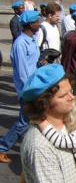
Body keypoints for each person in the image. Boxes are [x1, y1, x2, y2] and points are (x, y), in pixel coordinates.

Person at [0, 10, 40, 164]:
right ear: (30, 24)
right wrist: (32, 92)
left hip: (35, 86)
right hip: (28, 90)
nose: (39, 23)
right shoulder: (20, 43)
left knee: (37, 120)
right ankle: (2, 148)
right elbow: (23, 73)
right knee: (24, 122)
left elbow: (33, 63)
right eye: (37, 21)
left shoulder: (32, 39)